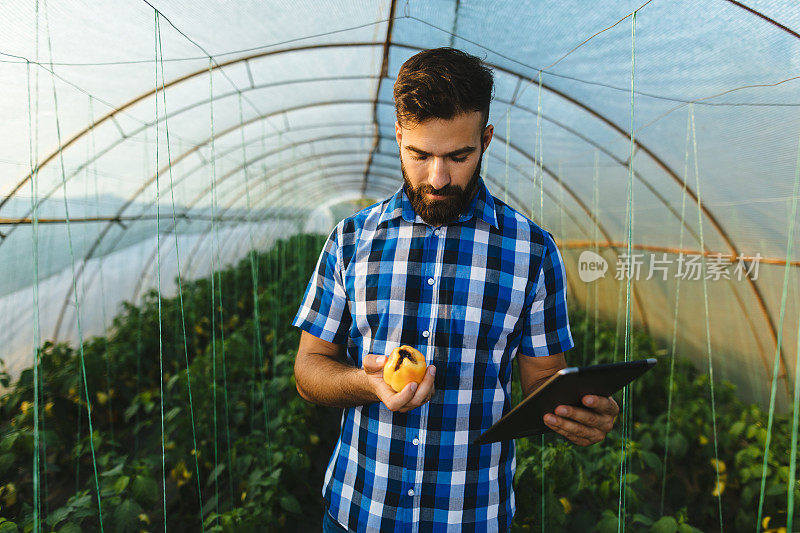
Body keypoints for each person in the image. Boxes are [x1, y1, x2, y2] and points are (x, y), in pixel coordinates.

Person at [292, 47, 619, 533]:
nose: (438, 178)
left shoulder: (532, 251)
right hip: (359, 510)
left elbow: (544, 378)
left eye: (458, 156)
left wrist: (579, 411)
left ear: (485, 139)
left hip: (471, 517)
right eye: (419, 154)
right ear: (399, 136)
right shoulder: (351, 240)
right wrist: (367, 383)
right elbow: (308, 369)